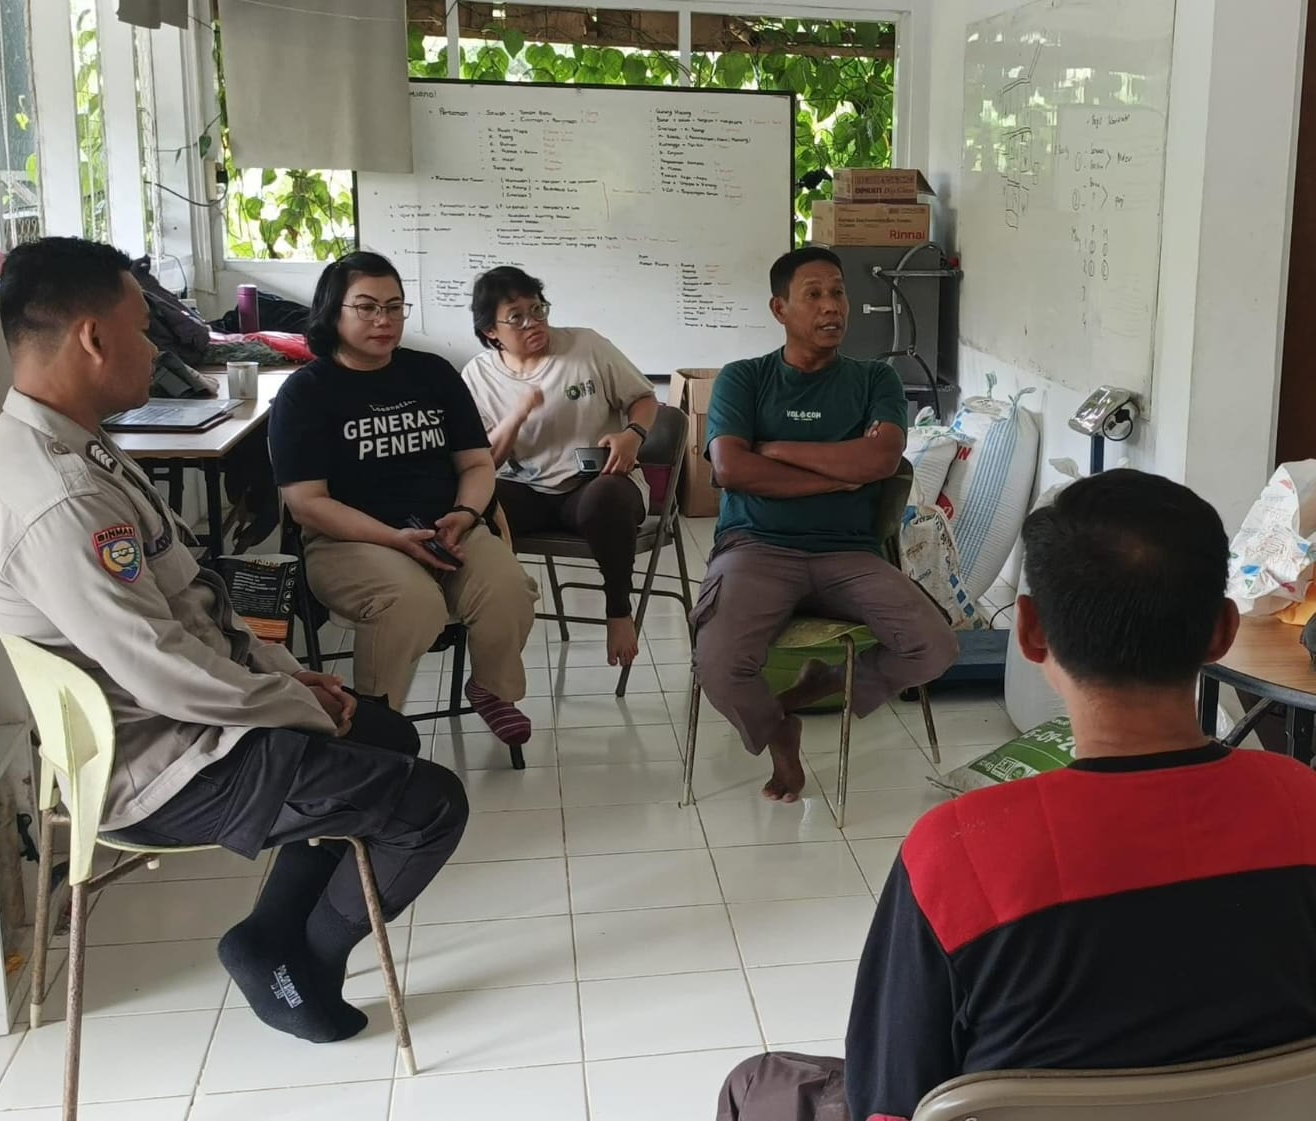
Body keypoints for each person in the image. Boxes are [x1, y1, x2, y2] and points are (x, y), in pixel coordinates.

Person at [0, 237, 468, 1046]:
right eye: (142, 330)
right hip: (159, 760)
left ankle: (266, 936)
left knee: (386, 733)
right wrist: (294, 702)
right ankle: (304, 961)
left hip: (178, 716)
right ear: (91, 337)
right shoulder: (60, 497)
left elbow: (193, 608)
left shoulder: (70, 443)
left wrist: (287, 675)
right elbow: (163, 668)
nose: (156, 349)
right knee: (429, 806)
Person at [717, 470, 1316, 1121]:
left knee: (756, 1084)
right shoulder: (1301, 804)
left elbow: (887, 1102)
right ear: (1222, 630)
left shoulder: (958, 852)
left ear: (1029, 631)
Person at [692, 246, 959, 801]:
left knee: (935, 646)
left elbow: (880, 460)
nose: (831, 306)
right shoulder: (745, 379)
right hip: (755, 548)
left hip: (849, 554)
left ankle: (818, 689)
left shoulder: (874, 380)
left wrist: (780, 449)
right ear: (780, 309)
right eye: (812, 295)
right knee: (718, 665)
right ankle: (778, 734)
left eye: (837, 292)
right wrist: (838, 476)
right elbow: (732, 469)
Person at [270, 251, 538, 746]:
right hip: (351, 541)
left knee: (509, 588)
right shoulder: (305, 393)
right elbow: (306, 503)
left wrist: (464, 514)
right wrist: (393, 539)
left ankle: (490, 689)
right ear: (333, 311)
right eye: (367, 307)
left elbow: (477, 464)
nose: (384, 320)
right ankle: (375, 726)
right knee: (411, 604)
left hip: (447, 531)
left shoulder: (432, 374)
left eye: (394, 307)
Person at [459, 267, 661, 668]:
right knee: (472, 504)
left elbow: (644, 398)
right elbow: (484, 462)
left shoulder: (586, 346)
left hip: (594, 485)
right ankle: (496, 617)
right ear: (491, 332)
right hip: (527, 490)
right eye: (516, 317)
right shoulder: (477, 376)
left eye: (538, 309)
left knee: (607, 495)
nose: (533, 322)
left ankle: (619, 610)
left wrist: (633, 435)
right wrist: (516, 415)